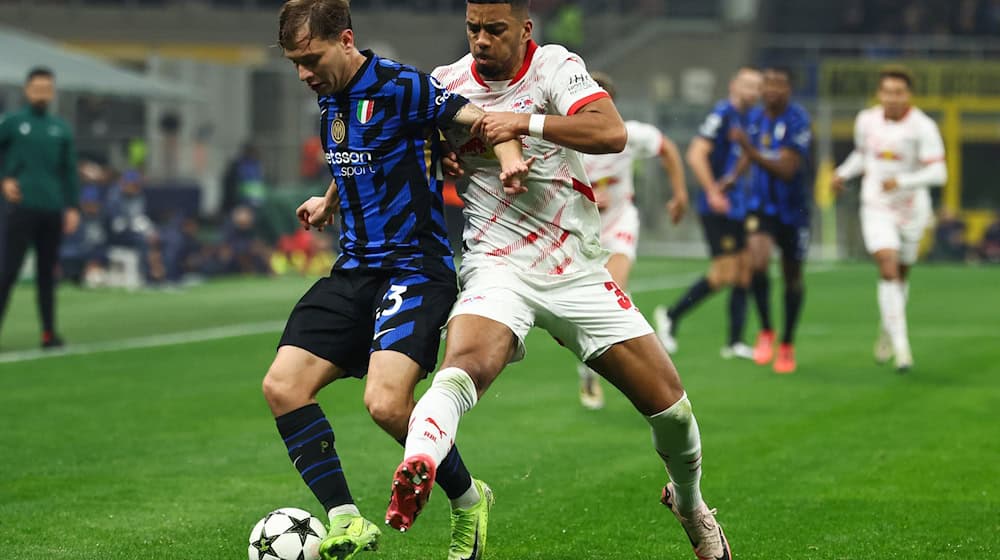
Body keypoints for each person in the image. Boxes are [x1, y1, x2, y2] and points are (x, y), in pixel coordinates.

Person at [387, 3, 732, 559]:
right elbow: (409, 145)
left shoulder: (552, 66)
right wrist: (437, 153)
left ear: (525, 30)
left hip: (574, 269)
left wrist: (522, 122)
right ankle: (422, 460)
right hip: (495, 264)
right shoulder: (445, 84)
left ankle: (690, 502)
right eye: (473, 28)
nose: (481, 40)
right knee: (464, 365)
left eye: (495, 30)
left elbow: (610, 131)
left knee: (673, 412)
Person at [261, 2, 530, 560]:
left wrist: (510, 158)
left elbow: (478, 118)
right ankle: (344, 522)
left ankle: (468, 500)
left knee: (385, 405)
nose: (305, 73)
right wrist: (329, 199)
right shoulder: (330, 94)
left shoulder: (402, 85)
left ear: (346, 40)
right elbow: (359, 154)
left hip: (415, 268)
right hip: (356, 267)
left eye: (311, 59)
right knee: (282, 387)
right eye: (295, 63)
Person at [575, 71, 688, 409]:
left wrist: (679, 194)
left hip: (620, 221)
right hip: (582, 230)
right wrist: (585, 196)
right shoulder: (565, 141)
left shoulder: (628, 135)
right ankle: (588, 369)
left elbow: (666, 147)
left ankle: (637, 360)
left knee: (613, 289)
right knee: (586, 307)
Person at [833, 65, 946, 371]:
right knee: (887, 265)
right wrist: (842, 173)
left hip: (912, 209)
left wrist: (903, 182)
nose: (892, 98)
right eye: (887, 92)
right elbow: (862, 155)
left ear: (908, 94)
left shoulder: (922, 126)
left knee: (901, 276)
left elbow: (939, 172)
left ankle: (887, 329)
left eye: (899, 92)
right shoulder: (866, 120)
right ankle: (902, 349)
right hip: (877, 205)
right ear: (879, 93)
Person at [653, 68, 762, 360]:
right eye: (748, 85)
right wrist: (713, 191)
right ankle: (671, 314)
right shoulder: (722, 114)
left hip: (738, 205)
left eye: (757, 87)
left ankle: (735, 341)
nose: (753, 91)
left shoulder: (748, 118)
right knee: (723, 274)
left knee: (743, 271)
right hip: (719, 207)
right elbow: (696, 153)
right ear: (734, 85)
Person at [729, 66, 813, 374]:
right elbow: (746, 156)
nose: (773, 90)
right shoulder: (754, 118)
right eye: (768, 84)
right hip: (760, 206)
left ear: (789, 90)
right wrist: (732, 177)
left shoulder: (798, 120)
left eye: (780, 84)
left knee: (792, 276)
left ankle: (788, 343)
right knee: (757, 263)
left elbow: (787, 169)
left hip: (793, 210)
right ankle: (766, 330)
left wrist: (749, 150)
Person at [0, 67, 79, 349]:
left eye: (47, 89)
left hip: (51, 209)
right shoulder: (12, 123)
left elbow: (69, 170)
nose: (42, 94)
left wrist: (72, 206)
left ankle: (49, 333)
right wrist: (4, 180)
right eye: (38, 88)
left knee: (47, 275)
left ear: (53, 92)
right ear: (27, 90)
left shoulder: (60, 129)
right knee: (8, 271)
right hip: (22, 208)